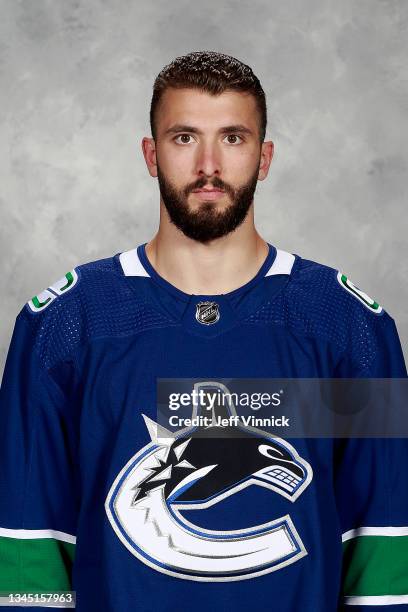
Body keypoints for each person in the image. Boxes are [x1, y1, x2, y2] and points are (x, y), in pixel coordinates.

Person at [0, 50, 407, 611]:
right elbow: (29, 555)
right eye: (185, 137)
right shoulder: (65, 326)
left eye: (233, 138)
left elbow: (382, 552)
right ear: (151, 153)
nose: (209, 165)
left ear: (265, 157)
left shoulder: (349, 328)